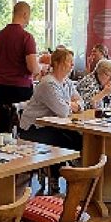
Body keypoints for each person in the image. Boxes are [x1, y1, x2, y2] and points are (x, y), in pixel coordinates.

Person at [19, 48, 83, 192]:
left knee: (79, 139)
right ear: (58, 63)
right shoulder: (48, 83)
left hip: (54, 126)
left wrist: (70, 104)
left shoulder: (67, 82)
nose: (72, 65)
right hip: (34, 128)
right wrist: (71, 105)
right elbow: (63, 112)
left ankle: (77, 177)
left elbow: (81, 102)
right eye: (69, 62)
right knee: (63, 142)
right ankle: (57, 177)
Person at [0, 1, 41, 133]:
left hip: (1, 89)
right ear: (25, 14)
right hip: (20, 90)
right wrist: (41, 68)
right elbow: (32, 67)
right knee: (22, 129)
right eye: (29, 16)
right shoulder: (26, 37)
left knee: (3, 129)